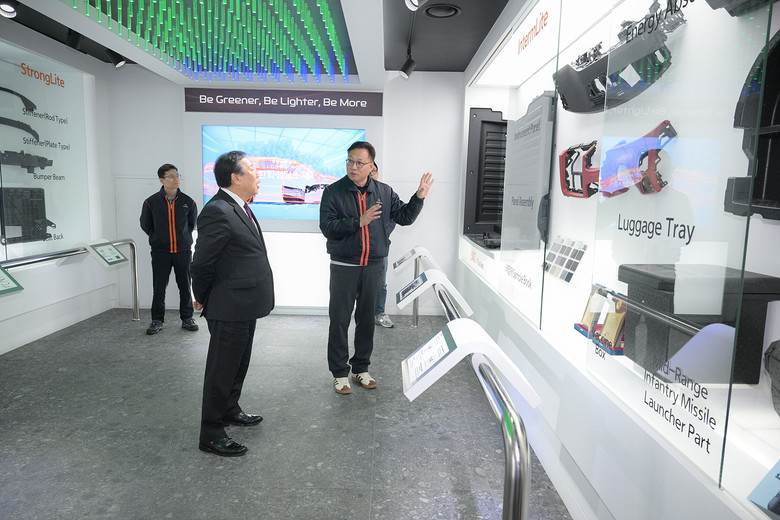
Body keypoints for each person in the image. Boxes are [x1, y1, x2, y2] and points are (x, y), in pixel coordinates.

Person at [320, 141, 433, 395]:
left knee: (366, 321)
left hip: (373, 266)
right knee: (339, 320)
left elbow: (404, 217)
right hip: (344, 265)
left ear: (371, 166)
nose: (353, 167)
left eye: (359, 163)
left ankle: (361, 368)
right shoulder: (333, 192)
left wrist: (419, 197)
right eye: (350, 161)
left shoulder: (384, 191)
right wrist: (357, 222)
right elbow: (327, 227)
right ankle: (339, 373)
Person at [190, 150, 275, 457]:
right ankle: (211, 433)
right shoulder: (218, 210)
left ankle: (229, 409)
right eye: (252, 169)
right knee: (221, 369)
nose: (257, 174)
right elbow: (202, 263)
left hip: (244, 304)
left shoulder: (238, 207)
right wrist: (202, 297)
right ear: (236, 177)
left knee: (238, 362)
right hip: (228, 305)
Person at [139, 163, 198, 335]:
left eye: (177, 175)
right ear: (161, 180)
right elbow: (145, 224)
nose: (176, 179)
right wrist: (159, 238)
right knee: (159, 288)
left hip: (183, 251)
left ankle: (187, 318)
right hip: (161, 252)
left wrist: (183, 239)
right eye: (171, 176)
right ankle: (157, 320)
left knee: (185, 286)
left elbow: (191, 224)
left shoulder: (188, 202)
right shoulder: (151, 202)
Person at [369, 162, 395, 329]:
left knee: (381, 283)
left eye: (374, 171)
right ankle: (364, 314)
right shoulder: (355, 194)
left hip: (380, 248)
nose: (372, 174)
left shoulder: (385, 193)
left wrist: (383, 234)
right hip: (359, 249)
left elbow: (394, 217)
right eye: (369, 171)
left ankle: (379, 313)